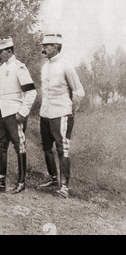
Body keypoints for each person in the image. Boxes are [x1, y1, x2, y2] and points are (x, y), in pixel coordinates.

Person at [0, 36, 37, 194]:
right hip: (1, 113)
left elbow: (31, 92)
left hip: (14, 113)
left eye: (0, 52)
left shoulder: (19, 67)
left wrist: (23, 112)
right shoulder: (2, 68)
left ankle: (21, 183)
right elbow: (1, 92)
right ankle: (1, 183)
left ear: (9, 51)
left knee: (19, 146)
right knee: (1, 146)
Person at [38, 34, 85, 198]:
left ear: (57, 47)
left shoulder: (66, 66)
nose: (44, 49)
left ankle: (64, 187)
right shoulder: (44, 67)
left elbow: (79, 90)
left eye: (48, 46)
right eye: (43, 45)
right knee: (46, 147)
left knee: (62, 149)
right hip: (45, 113)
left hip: (61, 113)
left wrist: (71, 111)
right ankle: (53, 178)